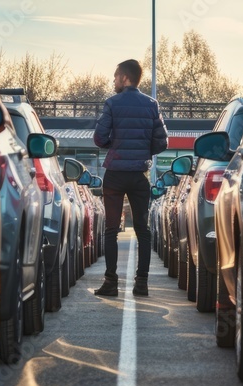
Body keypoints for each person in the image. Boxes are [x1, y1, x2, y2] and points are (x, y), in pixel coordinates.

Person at [92, 59, 168, 297]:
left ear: (124, 78)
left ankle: (111, 282)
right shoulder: (151, 105)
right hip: (139, 175)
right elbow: (162, 141)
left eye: (115, 77)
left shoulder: (112, 103)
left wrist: (112, 145)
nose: (113, 81)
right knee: (143, 230)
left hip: (115, 175)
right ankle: (141, 283)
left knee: (112, 230)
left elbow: (99, 137)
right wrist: (144, 152)